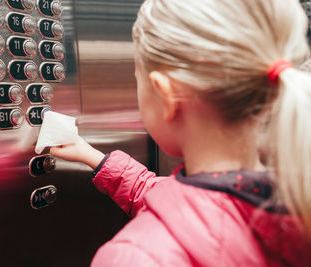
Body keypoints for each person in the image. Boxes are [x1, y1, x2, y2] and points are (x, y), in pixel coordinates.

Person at [50, 0, 311, 265]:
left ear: (167, 96)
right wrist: (95, 159)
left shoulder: (131, 257)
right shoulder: (289, 199)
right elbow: (178, 202)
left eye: (137, 76)